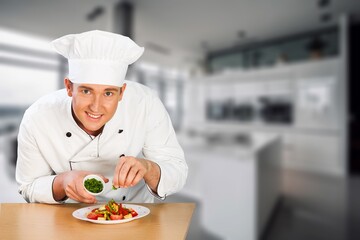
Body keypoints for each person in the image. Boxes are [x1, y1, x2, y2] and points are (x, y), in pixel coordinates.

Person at [15, 30, 188, 204]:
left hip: (135, 211)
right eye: (86, 91)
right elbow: (28, 187)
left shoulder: (145, 103)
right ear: (69, 87)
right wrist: (62, 182)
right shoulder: (38, 117)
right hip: (70, 216)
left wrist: (148, 168)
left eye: (108, 93)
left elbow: (177, 171)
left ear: (122, 93)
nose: (96, 107)